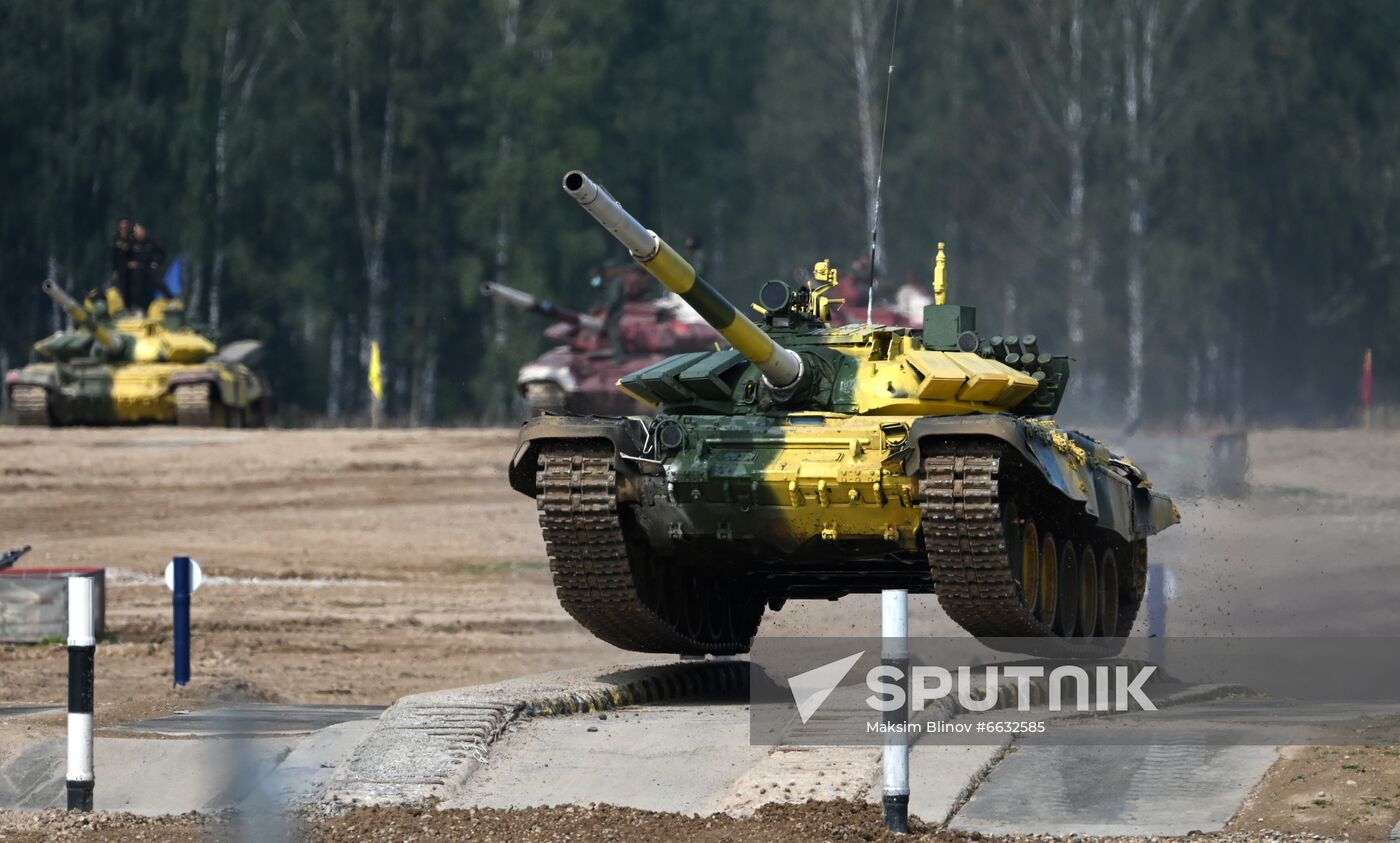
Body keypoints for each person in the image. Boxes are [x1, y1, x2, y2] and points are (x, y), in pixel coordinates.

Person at [126, 222, 171, 311]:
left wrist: (156, 261)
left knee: (155, 278)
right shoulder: (132, 243)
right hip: (138, 268)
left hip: (150, 267)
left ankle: (170, 298)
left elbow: (161, 253)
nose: (137, 233)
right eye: (135, 232)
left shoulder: (152, 241)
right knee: (135, 279)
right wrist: (130, 263)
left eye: (138, 231)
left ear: (143, 231)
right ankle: (136, 305)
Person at [110, 218, 133, 298]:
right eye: (122, 228)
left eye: (125, 228)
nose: (123, 230)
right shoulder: (116, 239)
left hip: (128, 268)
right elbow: (113, 256)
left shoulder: (131, 239)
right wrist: (114, 270)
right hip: (118, 267)